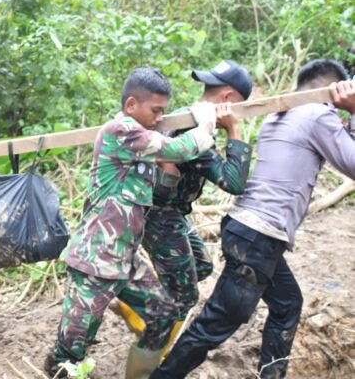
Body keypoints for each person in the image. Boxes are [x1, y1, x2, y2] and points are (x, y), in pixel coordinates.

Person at [150, 60, 355, 379]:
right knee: (213, 326)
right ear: (332, 91)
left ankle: (272, 374)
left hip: (248, 231)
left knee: (288, 303)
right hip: (259, 238)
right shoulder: (318, 114)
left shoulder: (280, 113)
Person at [44, 68, 219, 379]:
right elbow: (179, 148)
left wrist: (169, 171)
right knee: (70, 353)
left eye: (164, 111)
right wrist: (206, 123)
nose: (160, 118)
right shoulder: (120, 130)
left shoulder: (141, 146)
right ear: (130, 106)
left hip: (124, 259)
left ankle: (140, 375)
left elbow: (164, 182)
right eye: (156, 111)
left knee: (163, 313)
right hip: (94, 260)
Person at [111, 61, 253, 353]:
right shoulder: (193, 128)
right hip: (158, 216)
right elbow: (234, 183)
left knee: (201, 266)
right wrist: (235, 130)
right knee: (184, 296)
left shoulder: (187, 118)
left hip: (172, 213)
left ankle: (139, 306)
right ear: (228, 99)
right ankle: (149, 353)